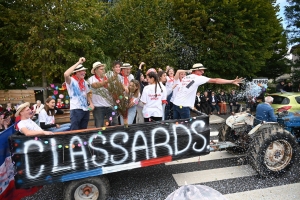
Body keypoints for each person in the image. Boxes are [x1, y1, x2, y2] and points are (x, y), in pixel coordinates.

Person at [172, 63, 243, 119]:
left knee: (176, 124)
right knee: (185, 126)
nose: (203, 72)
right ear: (196, 70)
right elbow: (216, 80)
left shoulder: (186, 77)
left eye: (203, 70)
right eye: (201, 70)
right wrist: (231, 81)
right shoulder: (198, 78)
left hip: (176, 103)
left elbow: (185, 83)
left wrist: (189, 71)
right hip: (183, 106)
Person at [64, 57, 94, 130]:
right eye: (82, 71)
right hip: (76, 109)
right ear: (77, 72)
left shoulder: (84, 82)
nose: (84, 72)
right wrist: (78, 62)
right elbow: (66, 74)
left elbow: (87, 93)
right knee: (75, 131)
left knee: (83, 131)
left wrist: (91, 103)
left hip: (85, 109)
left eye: (84, 71)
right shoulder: (71, 80)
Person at [88, 61, 118, 127]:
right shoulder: (91, 79)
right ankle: (99, 137)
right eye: (101, 69)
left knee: (114, 124)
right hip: (98, 107)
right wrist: (109, 80)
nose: (103, 70)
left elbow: (113, 91)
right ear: (95, 70)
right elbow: (96, 85)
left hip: (110, 106)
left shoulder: (107, 78)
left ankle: (115, 137)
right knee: (99, 126)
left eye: (104, 69)